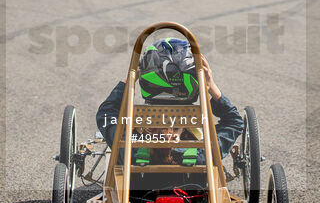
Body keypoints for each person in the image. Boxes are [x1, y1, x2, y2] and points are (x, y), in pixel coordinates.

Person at [96, 38, 244, 166]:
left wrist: (128, 81)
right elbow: (234, 122)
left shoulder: (130, 150)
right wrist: (212, 87)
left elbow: (106, 113)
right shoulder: (204, 151)